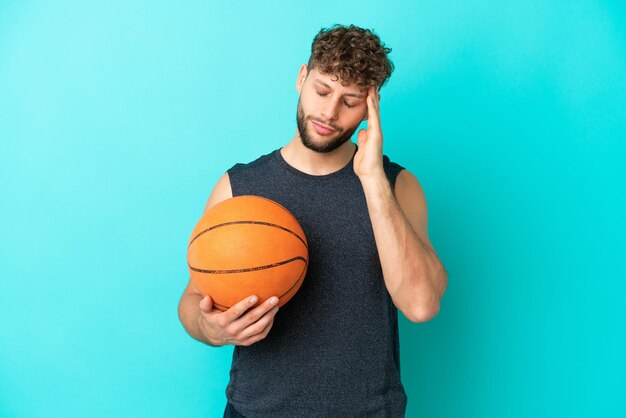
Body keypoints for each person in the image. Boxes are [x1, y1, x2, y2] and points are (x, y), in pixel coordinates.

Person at [178, 24, 448, 418]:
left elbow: (421, 305)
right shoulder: (240, 185)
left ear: (371, 106)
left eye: (350, 101)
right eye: (322, 91)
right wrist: (212, 330)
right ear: (302, 77)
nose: (329, 113)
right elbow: (191, 302)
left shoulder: (396, 186)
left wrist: (371, 178)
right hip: (256, 412)